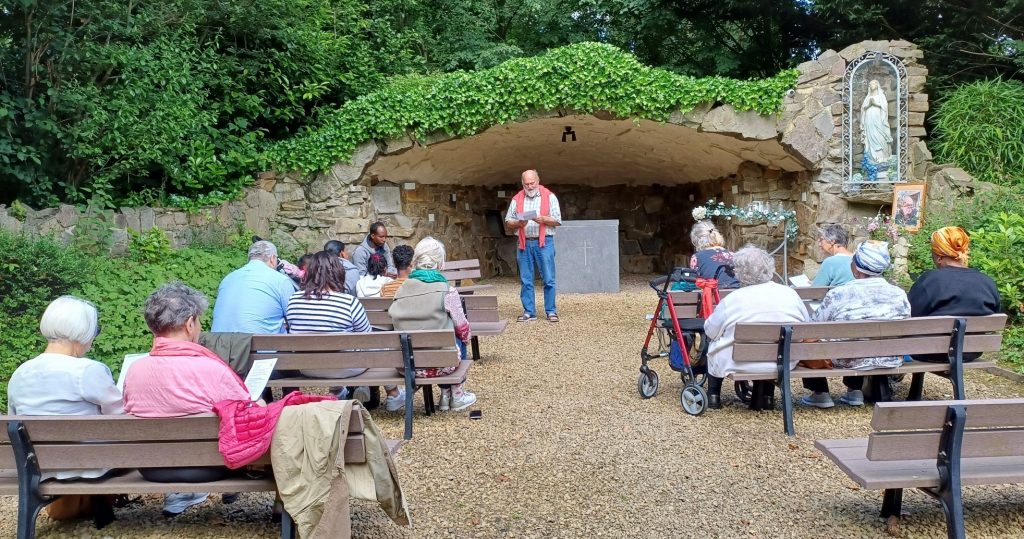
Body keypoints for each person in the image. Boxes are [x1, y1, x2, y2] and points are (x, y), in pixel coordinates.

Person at [124, 282, 257, 516]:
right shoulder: (211, 369)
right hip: (208, 467)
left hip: (152, 467)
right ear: (189, 324)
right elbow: (246, 411)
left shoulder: (135, 370)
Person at [8, 296, 124, 480]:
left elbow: (14, 421)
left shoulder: (20, 373)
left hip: (39, 468)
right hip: (88, 467)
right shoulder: (88, 370)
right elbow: (121, 415)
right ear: (84, 332)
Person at [286, 252, 405, 410]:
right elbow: (368, 339)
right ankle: (393, 393)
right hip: (345, 368)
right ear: (338, 272)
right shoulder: (348, 301)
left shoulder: (293, 300)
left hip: (307, 367)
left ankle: (336, 391)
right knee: (379, 344)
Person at [801, 241, 910, 408]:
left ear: (857, 268)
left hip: (847, 359)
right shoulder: (899, 294)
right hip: (889, 357)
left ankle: (820, 393)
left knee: (807, 340)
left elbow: (812, 328)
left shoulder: (838, 294)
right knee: (863, 340)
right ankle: (854, 391)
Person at [703, 246, 808, 409]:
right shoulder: (790, 294)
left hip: (737, 362)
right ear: (770, 268)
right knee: (773, 346)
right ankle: (765, 397)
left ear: (739, 272)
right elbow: (805, 325)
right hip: (784, 360)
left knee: (716, 345)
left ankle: (714, 396)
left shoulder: (733, 299)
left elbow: (711, 331)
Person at [388, 237, 476, 411]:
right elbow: (463, 330)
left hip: (407, 365)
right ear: (440, 263)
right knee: (457, 337)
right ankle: (455, 395)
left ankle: (445, 395)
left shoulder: (400, 289)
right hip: (443, 365)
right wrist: (464, 338)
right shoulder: (447, 291)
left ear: (415, 262)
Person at [909, 226, 1001, 362]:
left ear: (939, 257)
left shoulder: (930, 281)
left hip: (929, 351)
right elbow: (995, 313)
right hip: (970, 352)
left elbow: (909, 315)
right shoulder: (987, 282)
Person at [505, 169, 562, 322]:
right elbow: (509, 222)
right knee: (525, 279)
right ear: (522, 183)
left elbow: (557, 220)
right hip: (524, 243)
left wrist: (543, 219)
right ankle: (529, 311)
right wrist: (519, 222)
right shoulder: (517, 199)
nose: (530, 186)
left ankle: (551, 311)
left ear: (538, 181)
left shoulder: (549, 197)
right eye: (526, 184)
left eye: (532, 183)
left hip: (544, 242)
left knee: (549, 278)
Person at [211, 240, 296, 334]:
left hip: (219, 344)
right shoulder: (281, 280)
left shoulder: (227, 278)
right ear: (272, 259)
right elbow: (295, 319)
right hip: (256, 346)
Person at [689, 220, 740, 289]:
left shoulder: (696, 257)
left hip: (714, 296)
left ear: (696, 240)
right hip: (736, 294)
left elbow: (695, 283)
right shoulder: (733, 255)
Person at [860, 79, 893, 166]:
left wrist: (875, 104)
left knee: (879, 135)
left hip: (878, 119)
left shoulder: (881, 96)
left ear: (877, 85)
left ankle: (883, 156)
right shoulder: (867, 97)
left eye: (873, 83)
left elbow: (885, 107)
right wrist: (868, 105)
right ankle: (871, 159)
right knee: (870, 136)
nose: (871, 85)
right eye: (870, 84)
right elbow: (863, 109)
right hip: (869, 120)